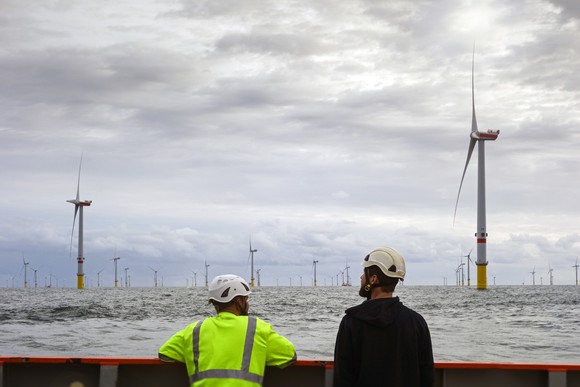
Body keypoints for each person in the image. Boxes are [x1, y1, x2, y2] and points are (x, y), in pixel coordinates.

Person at [159, 274, 296, 386]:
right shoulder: (257, 328)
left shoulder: (194, 330)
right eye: (246, 299)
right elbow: (289, 356)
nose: (247, 304)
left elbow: (165, 354)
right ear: (239, 301)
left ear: (214, 303)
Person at [333, 247, 434, 387]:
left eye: (364, 273)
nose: (361, 278)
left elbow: (342, 378)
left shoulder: (351, 322)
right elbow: (427, 376)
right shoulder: (417, 322)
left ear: (373, 280)